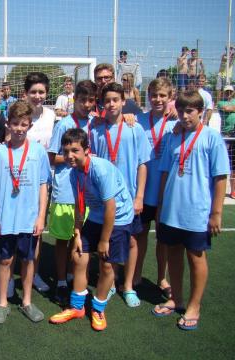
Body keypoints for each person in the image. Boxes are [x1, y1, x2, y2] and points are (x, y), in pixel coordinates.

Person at [152, 90, 230, 331]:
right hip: (171, 211)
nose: (185, 116)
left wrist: (216, 213)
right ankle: (176, 298)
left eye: (190, 111)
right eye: (182, 111)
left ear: (200, 112)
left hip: (196, 212)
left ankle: (194, 306)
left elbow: (220, 177)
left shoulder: (211, 138)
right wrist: (161, 205)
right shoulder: (174, 137)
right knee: (173, 255)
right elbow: (165, 173)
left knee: (196, 258)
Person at [49, 128, 134, 331]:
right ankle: (77, 307)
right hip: (95, 216)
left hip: (118, 219)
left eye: (75, 150)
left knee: (107, 266)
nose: (69, 156)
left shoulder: (100, 169)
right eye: (66, 151)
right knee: (78, 256)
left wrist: (104, 241)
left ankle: (97, 308)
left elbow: (111, 207)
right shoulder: (74, 173)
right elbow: (80, 204)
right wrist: (77, 233)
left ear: (87, 150)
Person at [0, 101, 51, 324]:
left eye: (24, 124)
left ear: (30, 125)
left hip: (29, 218)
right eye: (15, 123)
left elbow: (44, 185)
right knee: (5, 261)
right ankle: (3, 303)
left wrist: (41, 216)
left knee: (28, 260)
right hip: (5, 219)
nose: (19, 128)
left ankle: (27, 301)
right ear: (8, 124)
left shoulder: (38, 151)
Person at [90, 82, 151, 308]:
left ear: (124, 101)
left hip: (129, 199)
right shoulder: (96, 129)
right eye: (107, 101)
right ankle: (111, 280)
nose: (111, 104)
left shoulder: (134, 128)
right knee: (107, 241)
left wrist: (139, 197)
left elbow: (143, 165)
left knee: (132, 240)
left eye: (116, 100)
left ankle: (128, 286)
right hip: (106, 199)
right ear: (102, 104)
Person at [47, 80, 97, 306]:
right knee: (62, 240)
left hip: (90, 194)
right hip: (66, 192)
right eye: (82, 99)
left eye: (91, 100)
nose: (86, 104)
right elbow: (52, 157)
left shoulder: (97, 123)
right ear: (74, 99)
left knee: (82, 241)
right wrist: (73, 158)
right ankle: (60, 281)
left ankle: (73, 277)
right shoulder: (63, 124)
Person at [133, 78, 176, 299]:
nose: (157, 100)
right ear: (148, 96)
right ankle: (136, 275)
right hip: (142, 191)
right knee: (139, 235)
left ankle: (162, 278)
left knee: (163, 238)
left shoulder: (177, 124)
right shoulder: (139, 120)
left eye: (162, 96)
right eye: (154, 95)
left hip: (165, 193)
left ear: (170, 97)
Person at [24, 72, 55, 293]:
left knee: (37, 228)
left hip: (43, 181)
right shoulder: (17, 115)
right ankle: (11, 275)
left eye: (41, 92)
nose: (37, 96)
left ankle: (34, 274)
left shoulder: (52, 116)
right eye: (33, 92)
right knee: (15, 229)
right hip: (20, 181)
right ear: (26, 93)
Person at [216, 85, 235, 199]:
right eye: (227, 91)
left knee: (233, 164)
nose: (228, 93)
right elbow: (227, 109)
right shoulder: (220, 103)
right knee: (222, 162)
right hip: (224, 134)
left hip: (233, 134)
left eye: (230, 92)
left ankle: (233, 191)